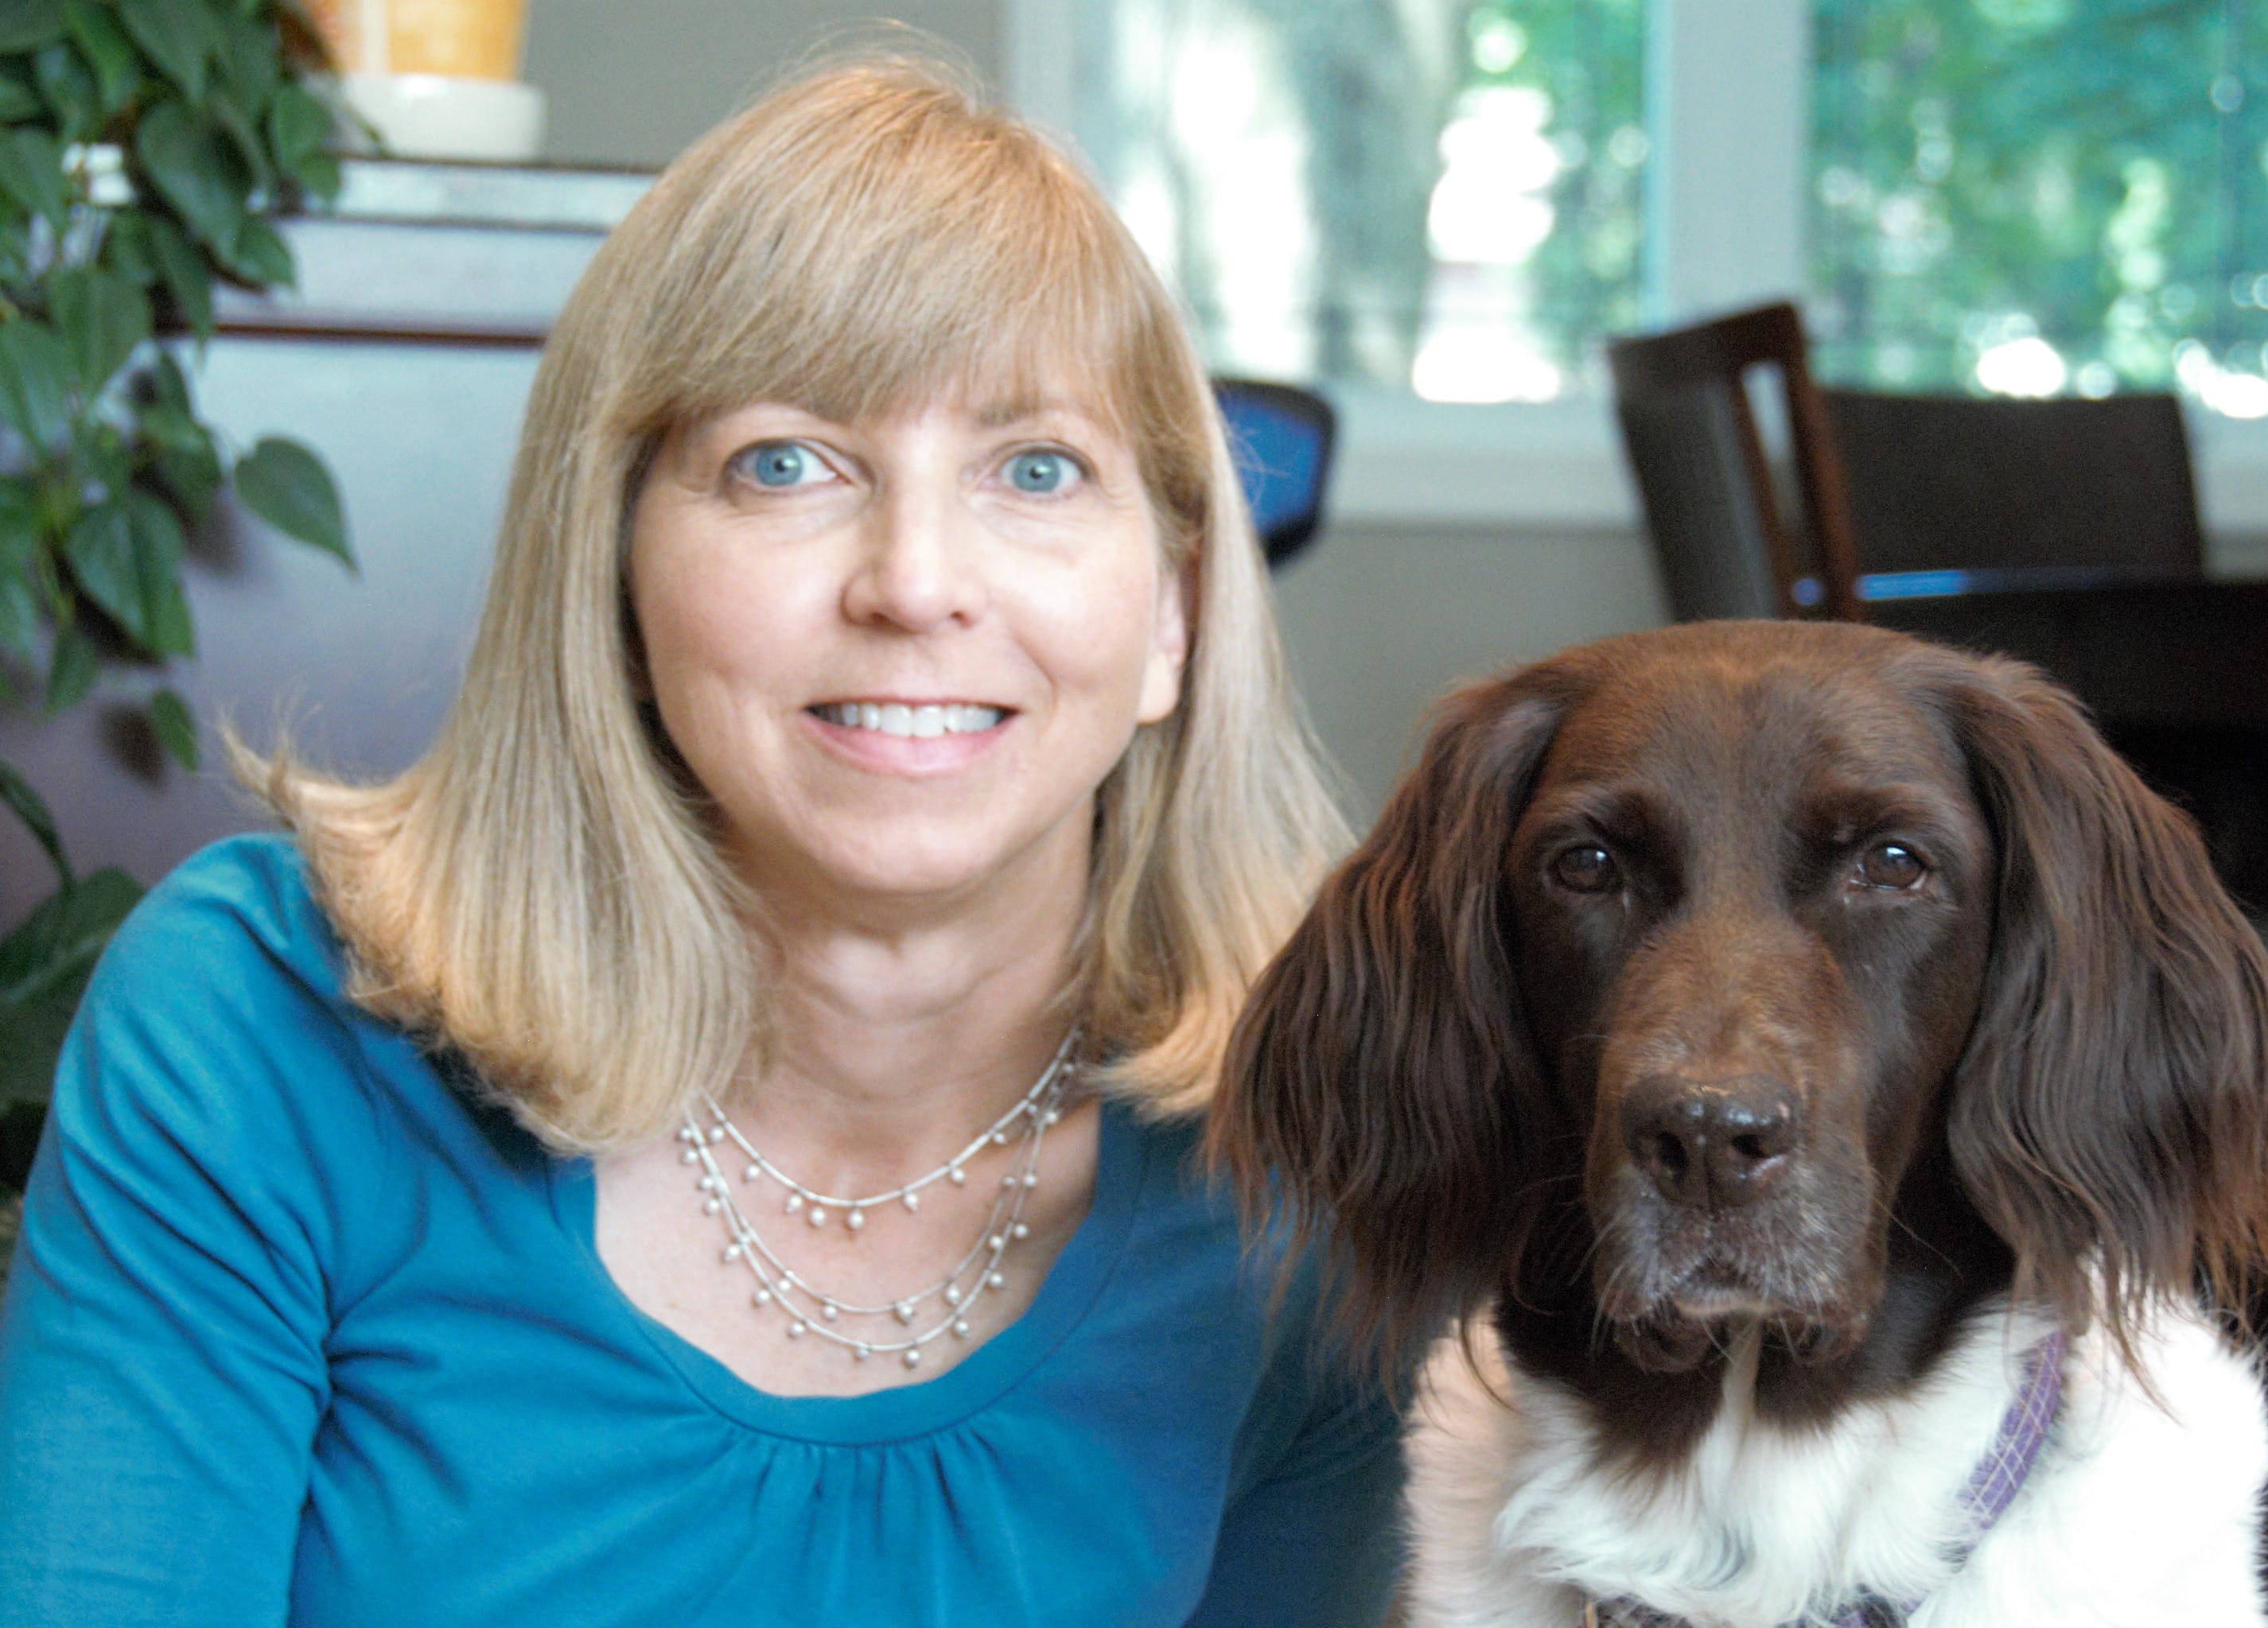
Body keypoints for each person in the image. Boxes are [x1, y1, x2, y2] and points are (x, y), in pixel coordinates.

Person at [0, 59, 1402, 1625]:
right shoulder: (261, 1026)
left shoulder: (1325, 1174)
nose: (915, 581)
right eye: (784, 463)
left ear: (1172, 616)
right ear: (609, 573)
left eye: (1033, 469)